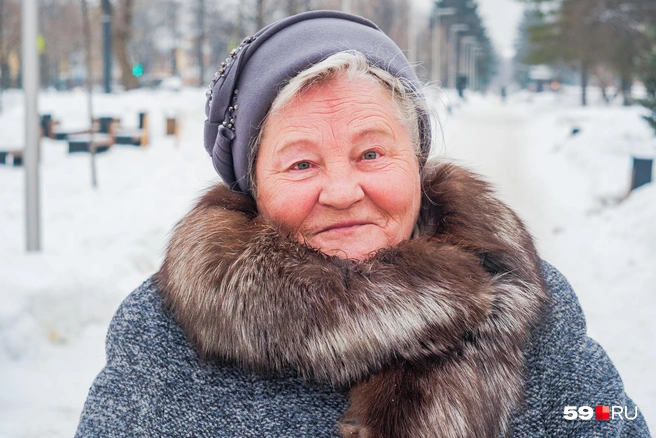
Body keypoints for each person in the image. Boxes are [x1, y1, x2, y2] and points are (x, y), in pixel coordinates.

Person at [75, 11, 650, 438]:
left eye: (372, 154)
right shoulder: (166, 332)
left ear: (417, 165)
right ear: (253, 188)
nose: (344, 192)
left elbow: (604, 418)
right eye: (301, 163)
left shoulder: (516, 294)